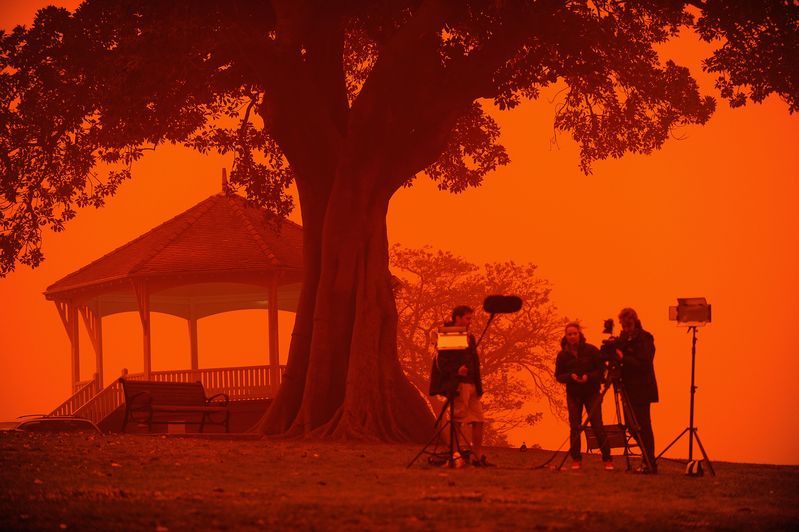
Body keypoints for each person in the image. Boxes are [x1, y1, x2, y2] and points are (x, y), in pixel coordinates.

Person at [429, 305, 490, 466]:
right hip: (459, 384)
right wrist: (457, 370)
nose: (470, 321)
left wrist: (478, 385)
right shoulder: (450, 334)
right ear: (457, 318)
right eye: (467, 318)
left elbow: (474, 362)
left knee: (478, 419)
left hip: (472, 385)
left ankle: (477, 455)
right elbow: (441, 362)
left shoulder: (470, 337)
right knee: (457, 420)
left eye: (470, 318)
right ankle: (455, 453)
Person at [554, 322, 613, 471]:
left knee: (597, 425)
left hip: (591, 393)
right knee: (575, 426)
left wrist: (588, 377)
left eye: (575, 333)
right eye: (569, 334)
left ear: (579, 334)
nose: (572, 336)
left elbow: (601, 371)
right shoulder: (562, 355)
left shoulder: (591, 350)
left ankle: (607, 459)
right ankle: (576, 459)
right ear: (566, 336)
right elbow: (559, 376)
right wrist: (570, 376)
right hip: (573, 394)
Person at [615, 307, 659, 473]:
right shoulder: (624, 338)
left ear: (634, 321)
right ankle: (648, 458)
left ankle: (650, 462)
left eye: (628, 324)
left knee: (643, 426)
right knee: (631, 426)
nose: (626, 328)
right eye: (623, 325)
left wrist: (623, 357)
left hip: (642, 388)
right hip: (628, 388)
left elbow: (644, 363)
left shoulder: (645, 338)